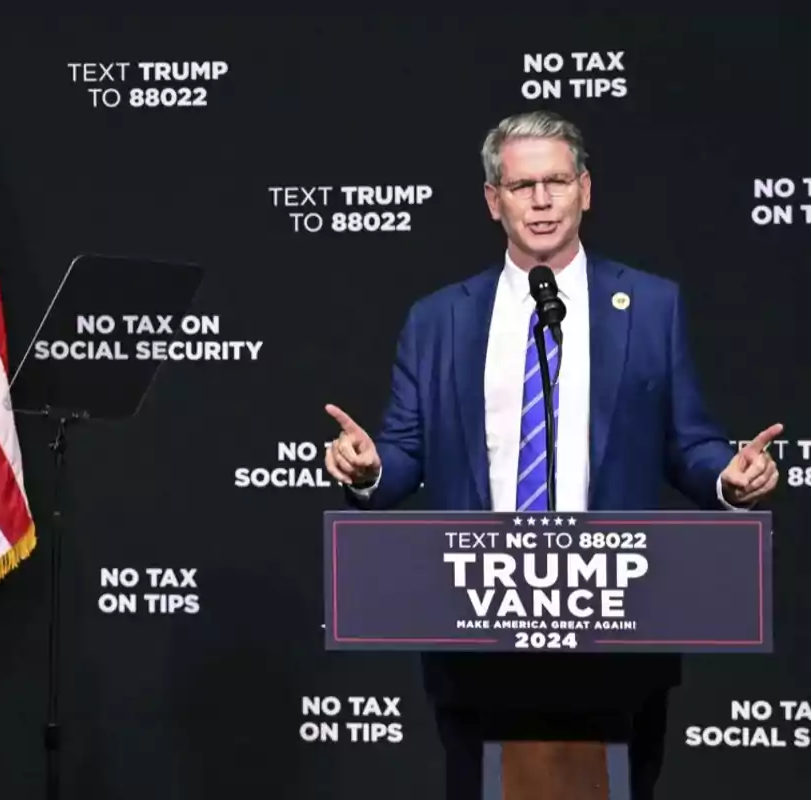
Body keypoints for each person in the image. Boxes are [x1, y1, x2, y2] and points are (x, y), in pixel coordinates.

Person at [323, 110, 780, 800]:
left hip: (620, 618)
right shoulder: (437, 319)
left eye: (556, 182)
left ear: (585, 190)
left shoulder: (652, 306)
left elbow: (688, 442)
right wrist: (370, 469)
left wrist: (729, 478)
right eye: (522, 185)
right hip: (477, 620)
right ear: (492, 200)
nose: (540, 201)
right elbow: (405, 452)